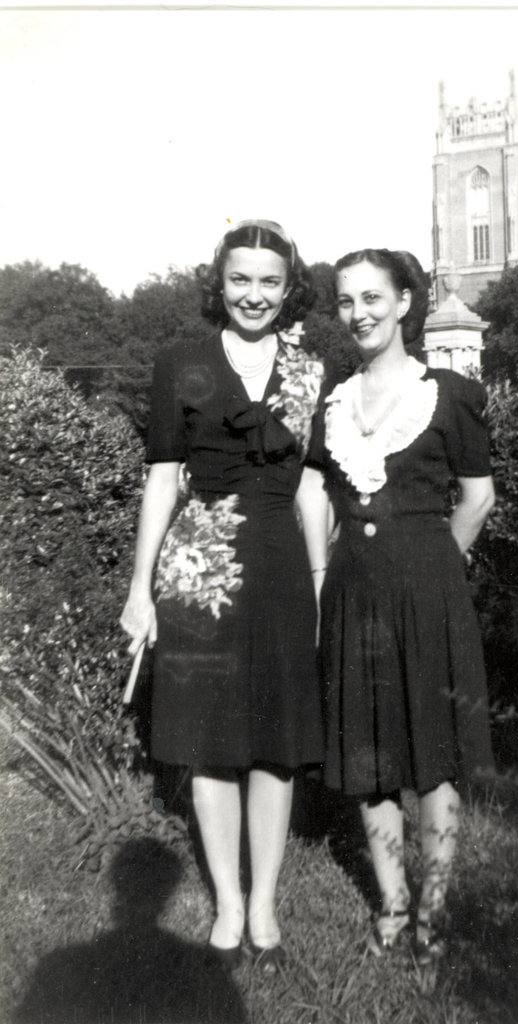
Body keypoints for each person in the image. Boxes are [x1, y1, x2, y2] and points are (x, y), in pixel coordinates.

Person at [120, 219, 325, 972]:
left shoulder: (311, 368)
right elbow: (162, 480)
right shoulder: (183, 364)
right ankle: (228, 909)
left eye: (271, 281)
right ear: (221, 282)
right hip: (200, 574)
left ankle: (265, 905)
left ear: (288, 287)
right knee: (211, 745)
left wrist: (319, 581)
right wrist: (140, 590)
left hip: (278, 573)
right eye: (241, 279)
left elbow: (311, 486)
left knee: (273, 747)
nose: (255, 295)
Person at [297, 248, 496, 969]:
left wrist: (440, 561)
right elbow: (316, 489)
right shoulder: (335, 402)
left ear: (406, 302)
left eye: (373, 298)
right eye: (346, 302)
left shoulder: (447, 394)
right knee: (370, 750)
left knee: (434, 754)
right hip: (353, 586)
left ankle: (433, 912)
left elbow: (477, 496)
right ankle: (392, 902)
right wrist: (322, 569)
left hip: (430, 584)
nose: (360, 314)